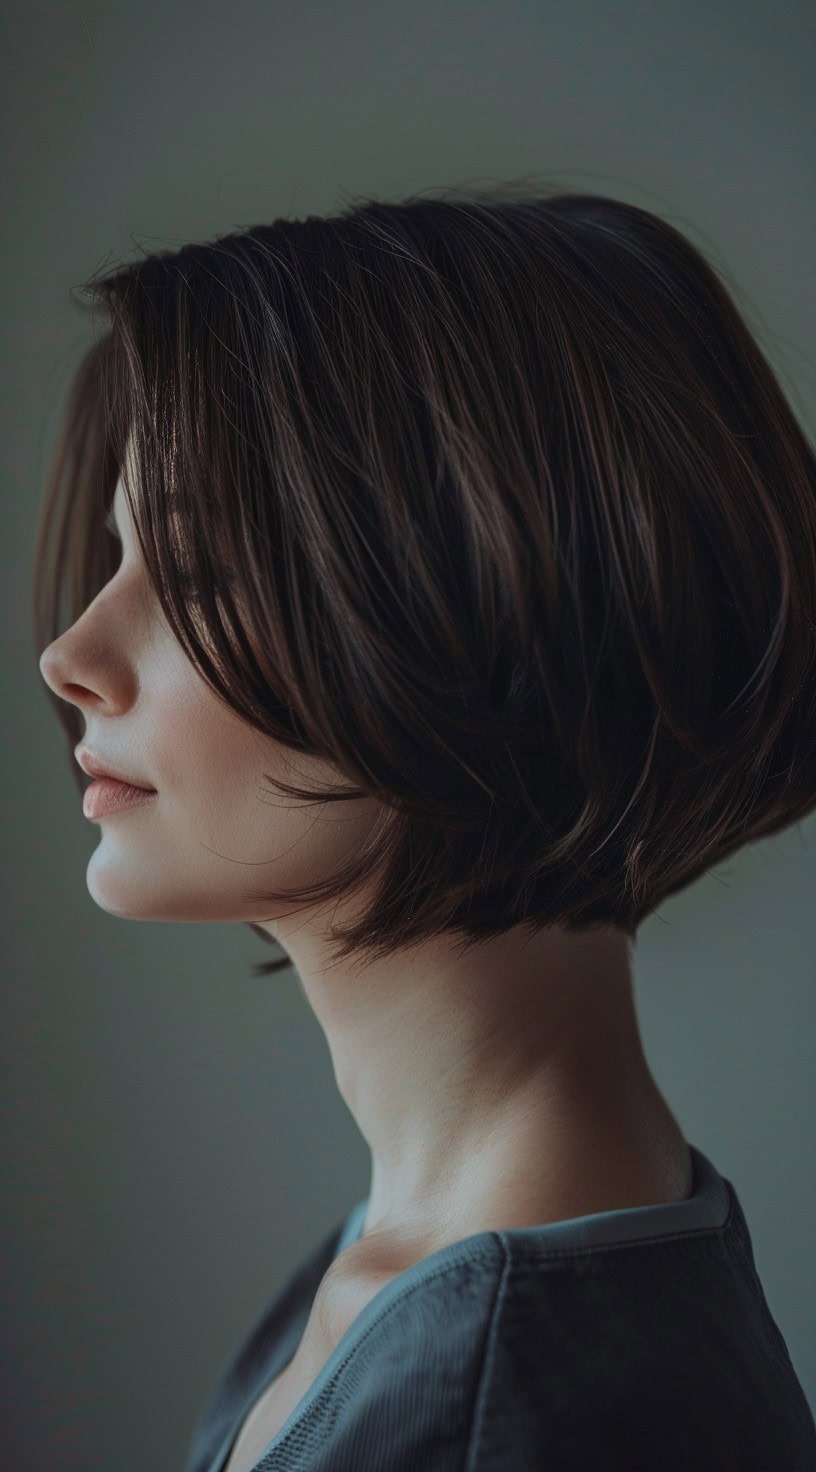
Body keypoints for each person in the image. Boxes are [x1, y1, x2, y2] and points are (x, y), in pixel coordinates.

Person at [35, 183, 816, 1470]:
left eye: (195, 573)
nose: (73, 653)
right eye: (118, 559)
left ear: (485, 606)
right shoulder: (438, 1272)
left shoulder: (513, 1408)